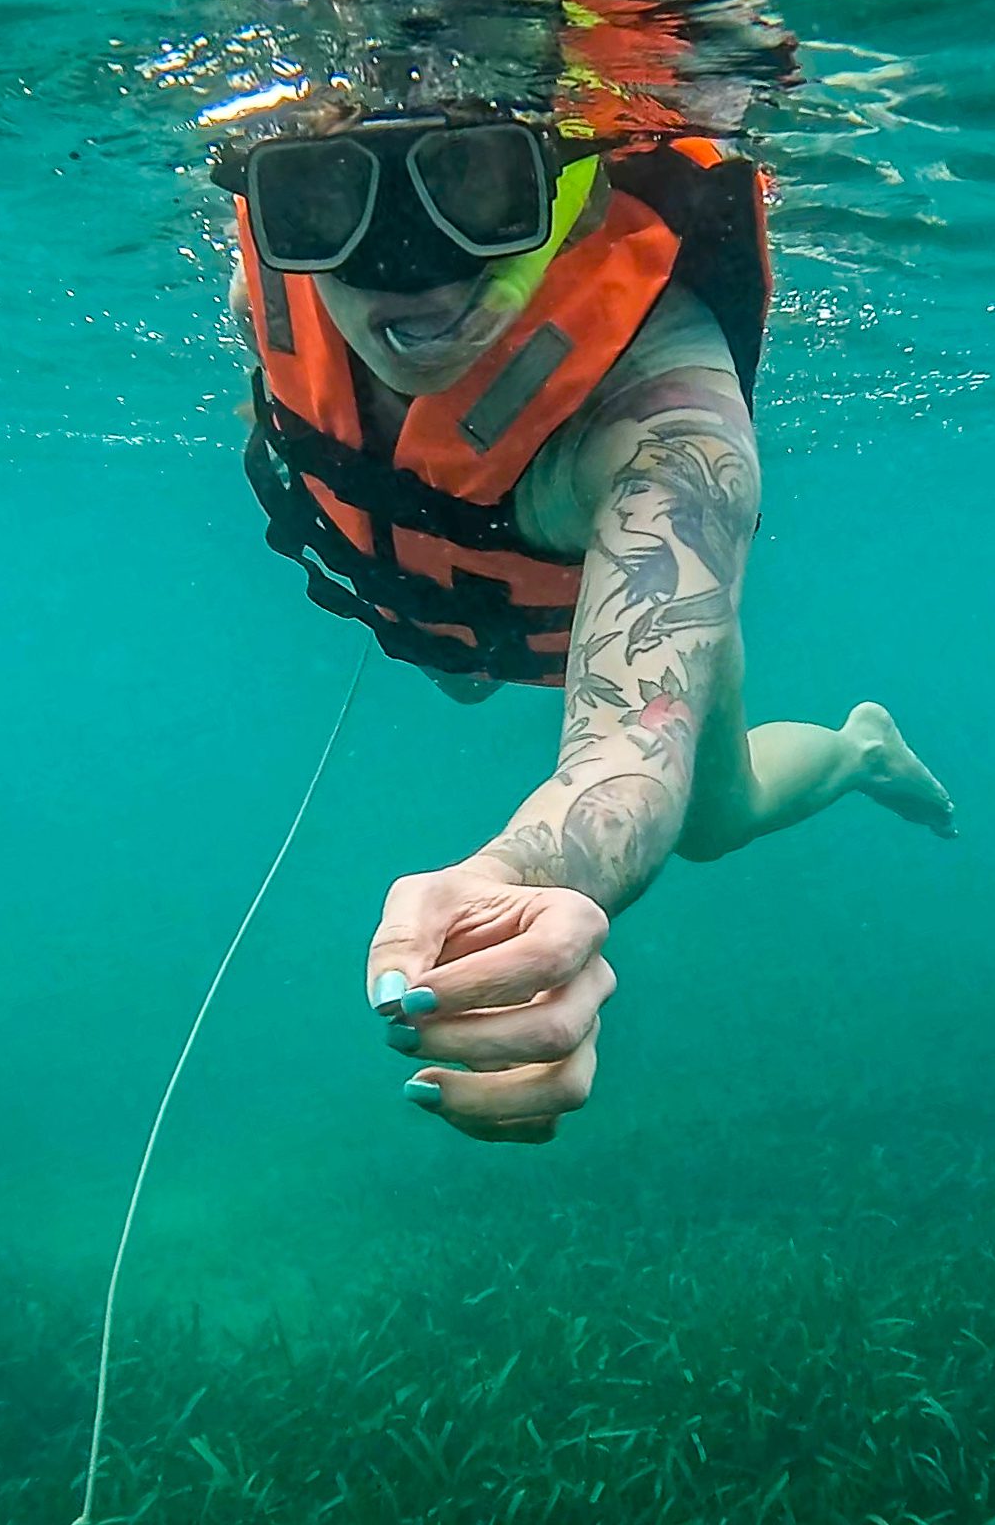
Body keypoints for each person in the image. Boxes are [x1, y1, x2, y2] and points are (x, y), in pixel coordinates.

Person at [214, 72, 957, 1145]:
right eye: (326, 201)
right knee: (455, 675)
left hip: (604, 613)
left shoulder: (667, 431)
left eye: (471, 185)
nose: (398, 265)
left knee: (715, 819)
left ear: (564, 189)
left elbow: (625, 763)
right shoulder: (278, 284)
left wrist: (516, 876)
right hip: (435, 595)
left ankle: (857, 749)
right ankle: (453, 649)